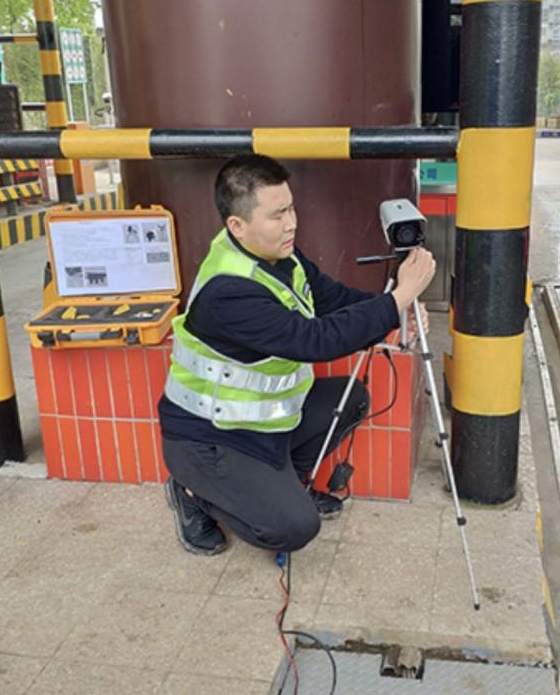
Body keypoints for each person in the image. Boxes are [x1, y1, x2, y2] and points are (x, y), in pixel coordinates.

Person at [158, 155, 436, 556]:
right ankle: (193, 492)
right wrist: (398, 298)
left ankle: (286, 485)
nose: (291, 223)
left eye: (290, 208)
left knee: (351, 397)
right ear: (237, 225)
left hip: (258, 423)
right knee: (295, 529)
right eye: (276, 215)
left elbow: (332, 300)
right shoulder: (229, 292)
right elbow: (314, 340)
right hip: (210, 437)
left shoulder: (279, 256)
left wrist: (398, 310)